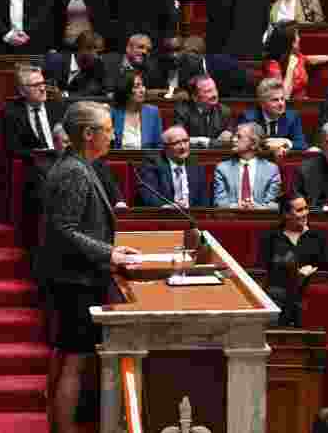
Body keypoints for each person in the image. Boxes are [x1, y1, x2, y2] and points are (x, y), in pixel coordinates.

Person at [35, 101, 139, 433]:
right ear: (89, 133)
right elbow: (65, 231)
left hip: (73, 276)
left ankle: (57, 425)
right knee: (74, 360)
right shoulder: (75, 172)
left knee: (65, 354)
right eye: (108, 129)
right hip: (74, 280)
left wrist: (111, 250)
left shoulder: (79, 165)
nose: (113, 135)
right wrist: (110, 254)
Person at [258, 194, 328, 328]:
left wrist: (312, 270)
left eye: (306, 208)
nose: (305, 213)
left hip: (308, 292)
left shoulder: (318, 237)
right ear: (286, 214)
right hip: (278, 293)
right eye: (299, 210)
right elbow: (261, 269)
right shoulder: (271, 237)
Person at [136, 125, 210, 208]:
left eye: (185, 141)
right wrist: (165, 206)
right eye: (177, 143)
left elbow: (203, 199)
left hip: (192, 216)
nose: (183, 147)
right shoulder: (152, 163)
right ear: (166, 147)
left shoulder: (196, 165)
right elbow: (148, 194)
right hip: (165, 216)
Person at [214, 123, 282, 209]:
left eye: (239, 137)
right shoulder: (222, 168)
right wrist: (237, 207)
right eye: (234, 136)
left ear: (253, 143)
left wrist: (255, 207)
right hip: (231, 219)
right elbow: (220, 202)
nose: (233, 140)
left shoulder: (271, 169)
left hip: (261, 219)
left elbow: (274, 204)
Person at [262, 20, 328, 101]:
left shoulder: (297, 55)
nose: (299, 38)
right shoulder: (273, 65)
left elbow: (311, 59)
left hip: (304, 102)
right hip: (291, 108)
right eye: (297, 35)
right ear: (291, 41)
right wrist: (290, 68)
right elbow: (284, 97)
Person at [237, 77, 308, 153]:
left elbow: (302, 144)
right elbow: (243, 143)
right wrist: (269, 144)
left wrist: (284, 142)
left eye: (282, 99)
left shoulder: (292, 117)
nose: (281, 103)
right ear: (262, 103)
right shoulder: (249, 118)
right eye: (275, 100)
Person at [173, 75, 233, 146]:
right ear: (194, 97)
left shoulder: (224, 111)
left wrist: (229, 134)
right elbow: (178, 137)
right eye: (208, 91)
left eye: (215, 89)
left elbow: (231, 133)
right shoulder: (182, 111)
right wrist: (200, 140)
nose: (214, 94)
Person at [44, 31, 108, 98]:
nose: (97, 57)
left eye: (100, 53)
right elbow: (45, 86)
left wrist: (63, 95)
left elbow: (90, 91)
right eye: (96, 52)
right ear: (80, 49)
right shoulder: (56, 60)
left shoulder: (97, 67)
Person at [110, 70, 162, 150]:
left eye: (143, 85)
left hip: (147, 161)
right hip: (120, 160)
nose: (142, 90)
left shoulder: (152, 112)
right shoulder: (113, 113)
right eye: (137, 86)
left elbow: (159, 146)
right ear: (125, 90)